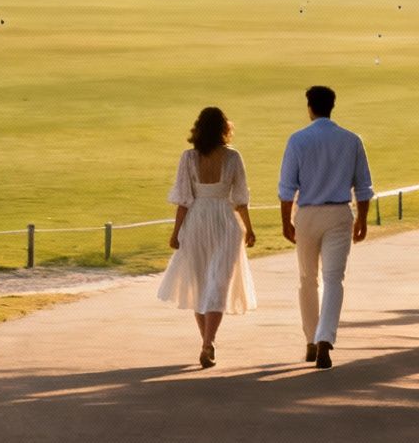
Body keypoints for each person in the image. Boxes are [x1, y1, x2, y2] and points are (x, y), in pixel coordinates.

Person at [279, 84, 373, 369]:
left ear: (310, 108)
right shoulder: (351, 140)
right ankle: (324, 338)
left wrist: (286, 222)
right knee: (334, 279)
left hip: (307, 214)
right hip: (339, 213)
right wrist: (363, 220)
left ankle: (311, 338)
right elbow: (364, 187)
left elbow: (286, 188)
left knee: (308, 279)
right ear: (332, 106)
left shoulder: (298, 140)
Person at [157, 107, 257, 368]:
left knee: (201, 284)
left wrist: (176, 232)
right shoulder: (233, 158)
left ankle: (207, 342)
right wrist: (249, 228)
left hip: (197, 221)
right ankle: (207, 342)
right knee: (217, 284)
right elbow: (240, 199)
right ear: (225, 128)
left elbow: (183, 200)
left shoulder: (189, 158)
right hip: (225, 221)